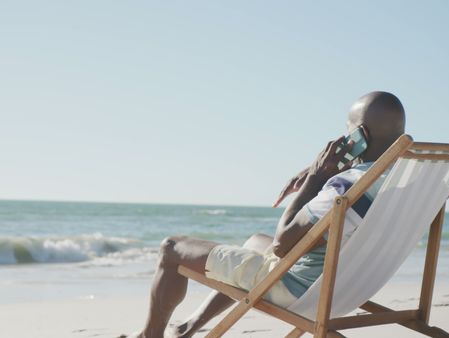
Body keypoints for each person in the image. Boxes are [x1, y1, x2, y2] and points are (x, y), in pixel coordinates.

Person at [126, 91, 406, 338]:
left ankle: (150, 336)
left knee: (170, 248)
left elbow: (283, 245)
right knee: (255, 241)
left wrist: (316, 177)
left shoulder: (347, 187)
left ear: (360, 135)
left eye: (348, 131)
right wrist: (313, 172)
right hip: (347, 289)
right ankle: (190, 326)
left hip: (300, 290)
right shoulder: (405, 179)